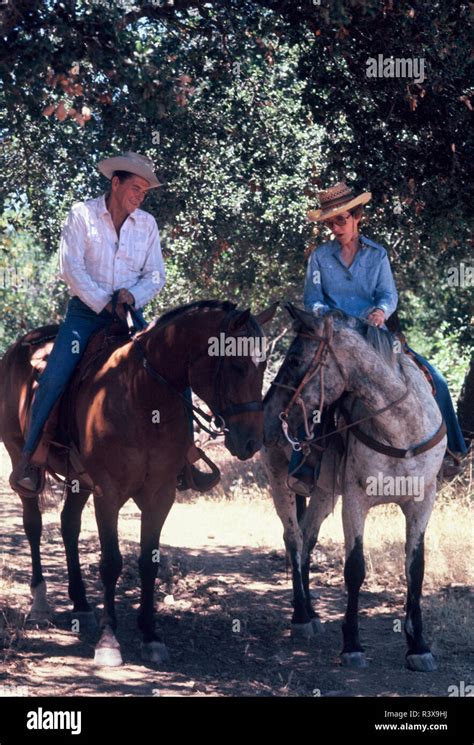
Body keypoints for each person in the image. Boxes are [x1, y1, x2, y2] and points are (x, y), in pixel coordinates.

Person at [10, 151, 217, 496]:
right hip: (86, 314)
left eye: (145, 192)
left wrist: (132, 297)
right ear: (115, 183)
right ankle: (32, 458)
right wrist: (105, 302)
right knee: (55, 374)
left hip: (129, 315)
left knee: (174, 368)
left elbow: (156, 275)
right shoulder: (82, 215)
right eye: (135, 188)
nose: (140, 196)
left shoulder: (147, 225)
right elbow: (70, 269)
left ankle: (186, 457)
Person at [288, 182, 467, 495]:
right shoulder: (319, 257)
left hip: (376, 337)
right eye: (330, 222)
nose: (336, 226)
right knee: (313, 393)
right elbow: (312, 300)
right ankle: (303, 467)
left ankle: (452, 451)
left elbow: (388, 293)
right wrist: (335, 318)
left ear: (357, 217)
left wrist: (382, 311)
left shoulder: (377, 254)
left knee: (432, 377)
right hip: (337, 340)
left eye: (341, 219)